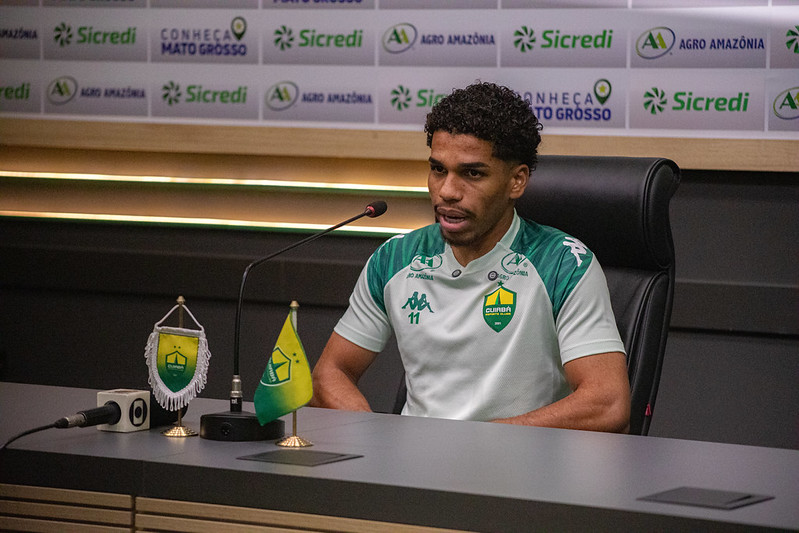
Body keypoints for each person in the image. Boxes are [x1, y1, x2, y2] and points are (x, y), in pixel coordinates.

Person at [310, 81, 630, 433]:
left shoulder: (563, 264)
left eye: (472, 173)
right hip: (413, 460)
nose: (447, 191)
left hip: (519, 460)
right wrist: (375, 439)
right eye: (438, 170)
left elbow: (607, 403)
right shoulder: (395, 258)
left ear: (517, 181)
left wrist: (476, 444)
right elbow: (330, 373)